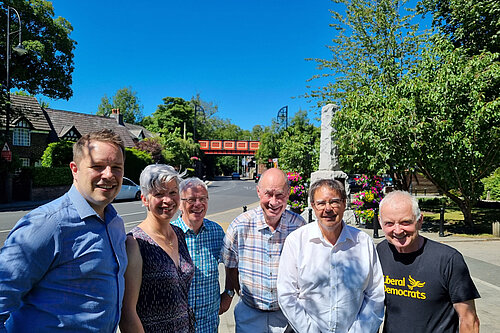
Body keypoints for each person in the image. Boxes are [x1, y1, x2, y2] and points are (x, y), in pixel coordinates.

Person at [0, 129, 128, 332]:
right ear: (74, 169)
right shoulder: (46, 224)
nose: (109, 175)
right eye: (97, 166)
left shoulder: (115, 224)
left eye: (116, 167)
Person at [277, 178, 385, 332]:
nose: (327, 209)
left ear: (344, 203)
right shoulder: (297, 242)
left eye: (334, 202)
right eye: (321, 203)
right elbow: (286, 294)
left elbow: (375, 293)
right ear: (313, 206)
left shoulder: (362, 242)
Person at [377, 190, 480, 333]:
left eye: (405, 222)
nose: (398, 230)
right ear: (380, 223)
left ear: (419, 221)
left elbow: (469, 319)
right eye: (389, 223)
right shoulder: (380, 252)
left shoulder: (447, 259)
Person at [221, 168, 306, 333]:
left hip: (288, 317)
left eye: (280, 195)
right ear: (259, 192)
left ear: (288, 194)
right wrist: (235, 292)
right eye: (268, 194)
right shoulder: (240, 225)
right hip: (250, 315)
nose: (274, 202)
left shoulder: (299, 227)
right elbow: (230, 265)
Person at [120, 164, 195, 333]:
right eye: (159, 194)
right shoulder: (135, 243)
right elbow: (127, 314)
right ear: (145, 199)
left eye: (172, 193)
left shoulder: (178, 234)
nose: (167, 200)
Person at [171, 177, 226, 333]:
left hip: (209, 323)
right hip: (177, 326)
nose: (198, 204)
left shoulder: (216, 231)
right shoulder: (170, 234)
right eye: (191, 199)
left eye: (202, 199)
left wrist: (228, 294)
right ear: (180, 204)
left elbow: (232, 263)